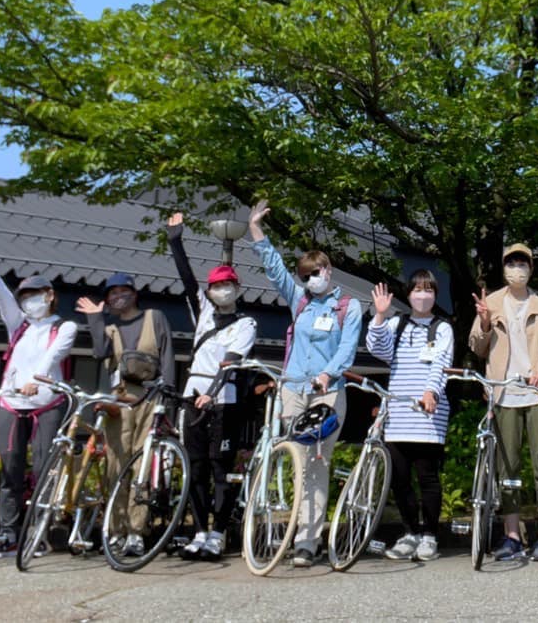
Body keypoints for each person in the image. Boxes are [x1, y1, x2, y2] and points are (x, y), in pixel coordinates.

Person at [251, 199, 362, 568]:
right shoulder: (299, 301)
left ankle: (307, 540)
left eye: (317, 271)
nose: (312, 278)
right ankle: (288, 528)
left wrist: (329, 373)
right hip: (293, 388)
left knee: (315, 463)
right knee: (293, 458)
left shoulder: (348, 306)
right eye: (306, 274)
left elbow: (347, 348)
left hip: (327, 391)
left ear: (328, 269)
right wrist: (256, 231)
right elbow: (275, 270)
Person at [0, 241, 77, 559]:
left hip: (47, 403)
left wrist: (33, 381)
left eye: (35, 295)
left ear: (49, 295)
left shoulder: (65, 327)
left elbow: (54, 357)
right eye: (24, 297)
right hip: (12, 403)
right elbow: (1, 295)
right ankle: (9, 533)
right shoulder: (18, 326)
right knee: (9, 469)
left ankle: (39, 531)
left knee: (42, 468)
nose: (29, 302)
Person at [165, 212, 257, 561]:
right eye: (216, 286)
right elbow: (186, 277)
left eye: (228, 284)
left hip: (224, 402)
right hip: (193, 400)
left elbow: (231, 363)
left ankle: (218, 532)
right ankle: (199, 530)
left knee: (221, 469)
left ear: (237, 288)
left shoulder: (246, 323)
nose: (222, 290)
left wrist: (212, 393)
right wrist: (176, 240)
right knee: (195, 468)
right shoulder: (202, 312)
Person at [469, 242, 538, 563]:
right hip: (504, 392)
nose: (516, 269)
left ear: (531, 269)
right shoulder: (491, 302)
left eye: (523, 263)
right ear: (504, 268)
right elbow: (477, 347)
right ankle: (511, 535)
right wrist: (482, 322)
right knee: (507, 467)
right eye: (511, 263)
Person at [75, 271, 175, 558]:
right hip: (119, 402)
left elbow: (167, 356)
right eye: (112, 294)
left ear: (134, 293)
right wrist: (95, 318)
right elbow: (98, 352)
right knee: (116, 466)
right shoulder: (110, 328)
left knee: (141, 466)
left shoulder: (154, 317)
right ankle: (115, 530)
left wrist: (166, 399)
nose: (119, 297)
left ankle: (136, 531)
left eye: (124, 291)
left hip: (149, 398)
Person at [366, 270, 454, 562]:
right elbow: (378, 349)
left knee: (427, 477)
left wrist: (431, 392)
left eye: (428, 290)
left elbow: (440, 363)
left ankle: (429, 535)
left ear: (435, 295)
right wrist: (379, 316)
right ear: (408, 294)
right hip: (399, 413)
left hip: (428, 414)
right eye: (417, 290)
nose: (422, 295)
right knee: (400, 478)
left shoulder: (442, 328)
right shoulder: (396, 323)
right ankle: (409, 533)